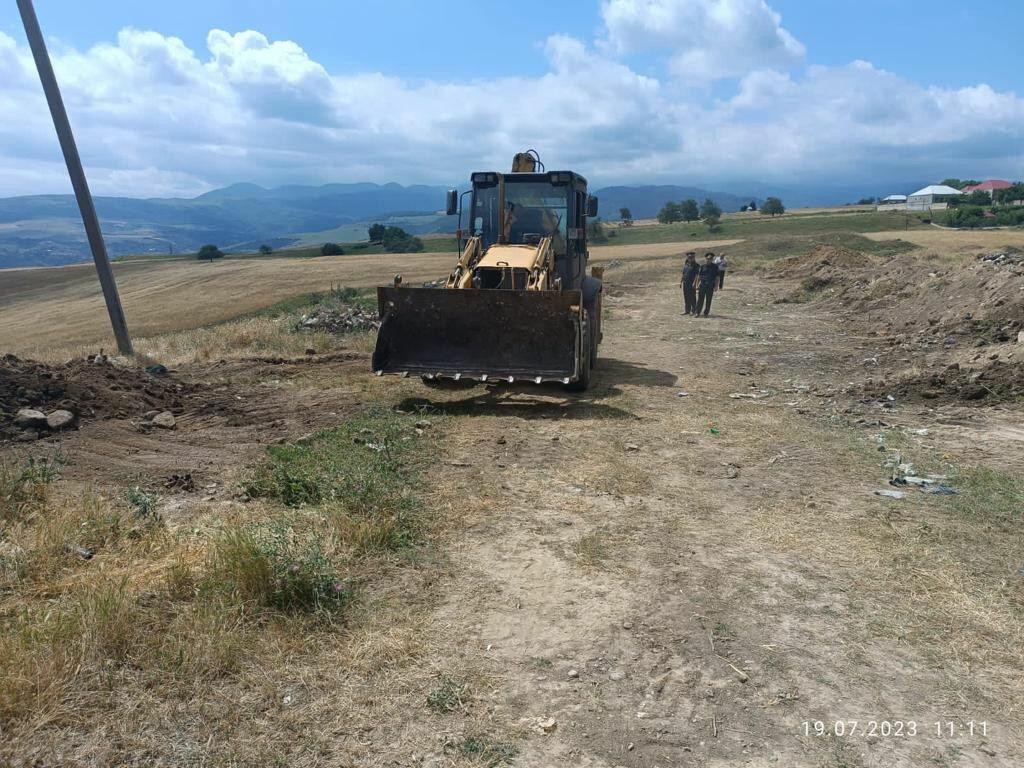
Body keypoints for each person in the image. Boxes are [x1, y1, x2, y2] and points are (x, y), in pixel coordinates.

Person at [695, 252, 719, 317]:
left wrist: (716, 286)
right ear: (705, 258)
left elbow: (717, 277)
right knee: (700, 299)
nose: (708, 260)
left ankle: (706, 313)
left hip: (710, 285)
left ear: (712, 259)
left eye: (710, 259)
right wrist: (697, 285)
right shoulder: (702, 266)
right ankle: (697, 312)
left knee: (708, 300)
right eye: (707, 258)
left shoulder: (715, 267)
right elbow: (699, 276)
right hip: (702, 285)